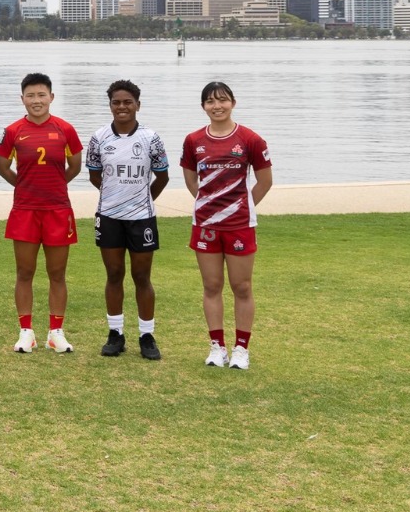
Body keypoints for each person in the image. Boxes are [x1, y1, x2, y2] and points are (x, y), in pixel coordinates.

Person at [180, 80, 272, 370]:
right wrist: (209, 204)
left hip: (240, 225)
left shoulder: (250, 139)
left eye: (222, 100)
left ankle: (241, 349)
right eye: (210, 101)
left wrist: (242, 206)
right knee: (211, 285)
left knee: (242, 286)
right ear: (203, 106)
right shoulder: (193, 140)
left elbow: (265, 180)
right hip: (206, 225)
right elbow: (191, 179)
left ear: (233, 102)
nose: (216, 106)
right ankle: (216, 347)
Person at [0, 72, 83, 354]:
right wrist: (25, 187)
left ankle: (56, 332)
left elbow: (75, 166)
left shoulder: (65, 129)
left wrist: (54, 187)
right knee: (24, 272)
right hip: (25, 210)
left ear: (51, 97)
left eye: (41, 95)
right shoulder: (12, 131)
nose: (36, 100)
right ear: (22, 99)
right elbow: (3, 168)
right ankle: (26, 333)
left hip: (58, 210)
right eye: (30, 96)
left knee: (57, 273)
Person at [84, 80, 170, 361]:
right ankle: (115, 333)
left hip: (141, 218)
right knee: (114, 274)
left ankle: (147, 335)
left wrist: (140, 200)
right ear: (110, 105)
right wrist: (115, 197)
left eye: (127, 102)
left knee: (142, 277)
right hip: (108, 216)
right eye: (116, 102)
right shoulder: (98, 138)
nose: (122, 107)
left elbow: (162, 176)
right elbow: (95, 176)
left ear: (137, 105)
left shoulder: (151, 138)